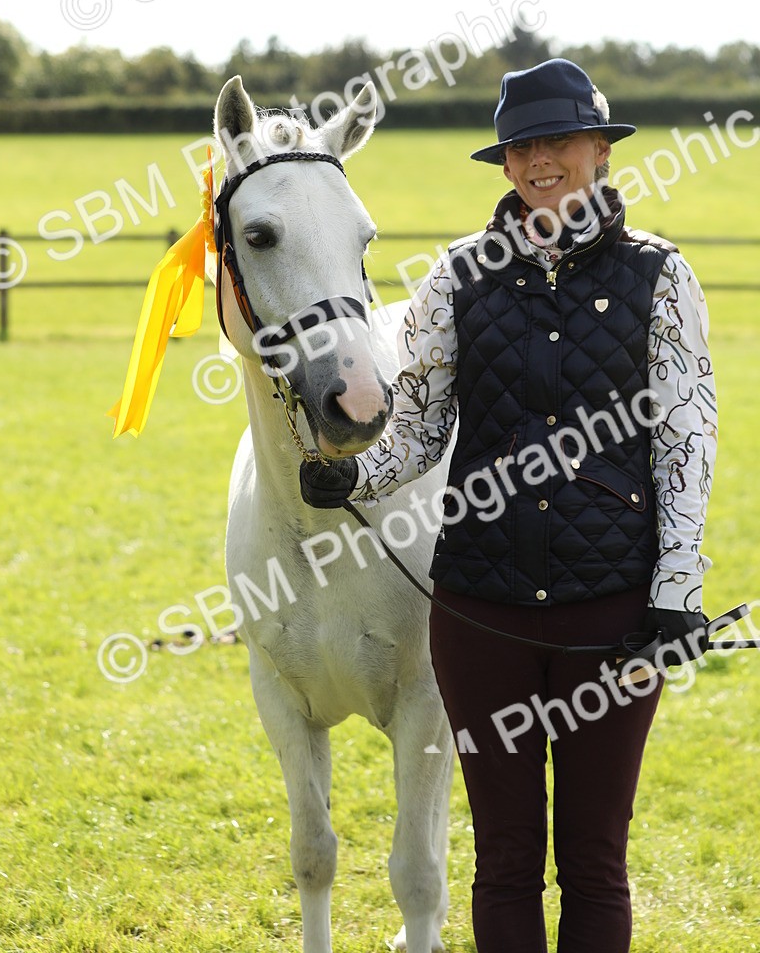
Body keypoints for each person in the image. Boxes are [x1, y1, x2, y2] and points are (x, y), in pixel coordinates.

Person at [299, 58, 717, 952]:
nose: (538, 162)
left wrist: (677, 588)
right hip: (480, 613)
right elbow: (416, 428)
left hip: (613, 613)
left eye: (559, 141)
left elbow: (687, 437)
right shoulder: (455, 277)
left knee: (596, 859)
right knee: (504, 857)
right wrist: (355, 478)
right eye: (522, 147)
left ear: (599, 150)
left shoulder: (662, 276)